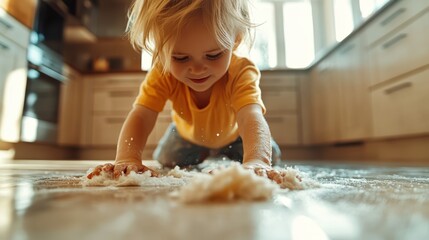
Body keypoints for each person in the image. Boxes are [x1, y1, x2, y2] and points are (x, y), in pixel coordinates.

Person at [87, 0, 282, 180]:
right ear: (161, 50)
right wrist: (126, 158)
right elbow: (142, 115)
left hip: (235, 135)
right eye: (180, 58)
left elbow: (250, 116)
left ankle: (239, 154)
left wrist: (258, 160)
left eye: (213, 55)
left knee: (268, 156)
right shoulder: (162, 71)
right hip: (186, 134)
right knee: (166, 157)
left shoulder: (241, 70)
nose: (197, 69)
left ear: (236, 40)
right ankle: (202, 152)